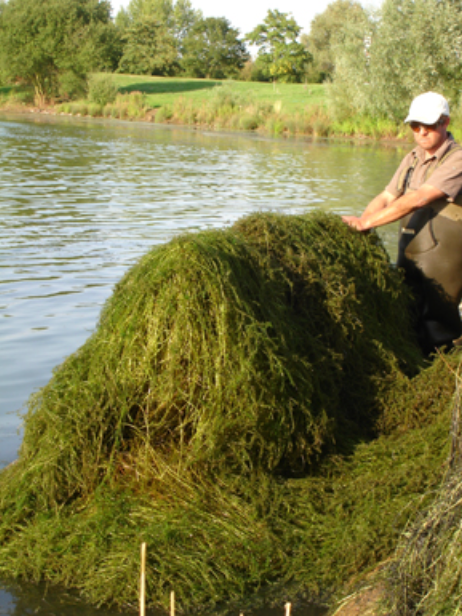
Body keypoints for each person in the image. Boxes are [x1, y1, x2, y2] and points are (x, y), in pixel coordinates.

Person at [342, 91, 462, 354]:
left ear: (445, 122)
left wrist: (366, 223)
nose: (421, 132)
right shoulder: (412, 158)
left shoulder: (457, 159)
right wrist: (363, 222)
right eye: (415, 126)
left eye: (428, 125)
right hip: (410, 254)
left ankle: (445, 379)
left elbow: (420, 198)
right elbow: (387, 196)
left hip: (445, 262)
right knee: (409, 316)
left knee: (439, 326)